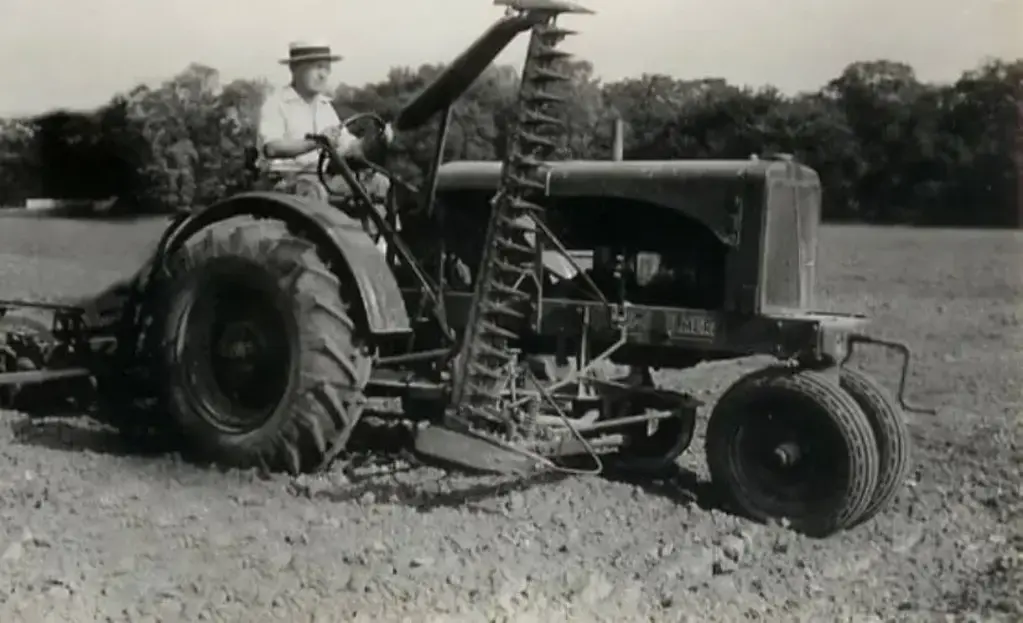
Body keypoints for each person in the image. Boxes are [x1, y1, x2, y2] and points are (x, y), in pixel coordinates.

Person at [256, 40, 395, 202]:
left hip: (323, 178)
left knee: (380, 182)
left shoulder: (325, 107)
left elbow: (348, 147)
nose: (322, 74)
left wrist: (376, 141)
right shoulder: (276, 103)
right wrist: (317, 142)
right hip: (284, 181)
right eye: (316, 67)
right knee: (315, 191)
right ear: (294, 68)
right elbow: (272, 148)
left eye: (326, 68)